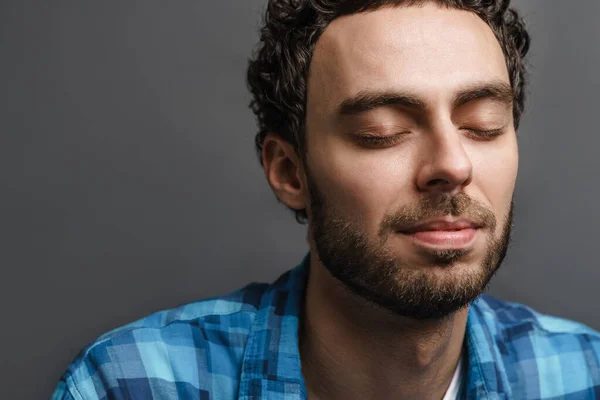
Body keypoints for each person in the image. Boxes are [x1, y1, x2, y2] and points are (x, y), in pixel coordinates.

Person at [51, 0, 600, 399]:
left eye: (483, 125)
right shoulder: (134, 384)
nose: (453, 165)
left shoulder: (586, 376)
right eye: (381, 131)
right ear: (290, 171)